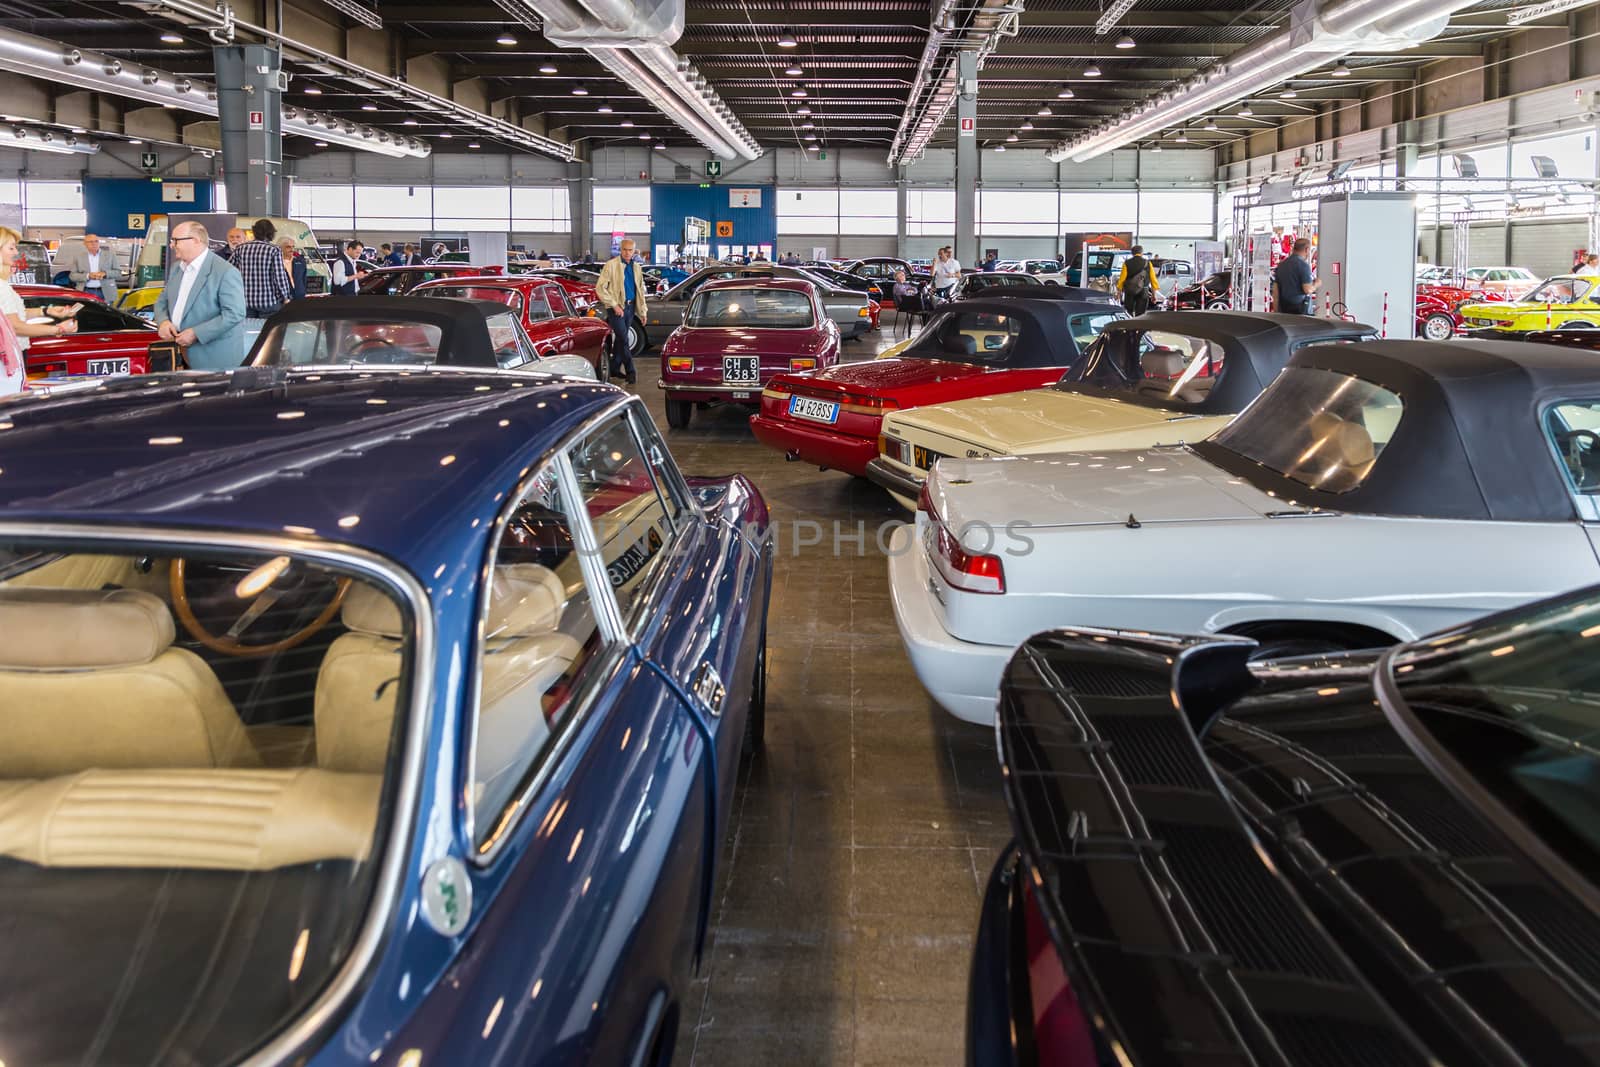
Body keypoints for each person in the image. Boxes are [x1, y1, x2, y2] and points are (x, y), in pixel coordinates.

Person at [153, 220, 246, 370]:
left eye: (175, 241)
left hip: (213, 358)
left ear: (196, 241)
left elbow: (235, 313)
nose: (171, 245)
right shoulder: (177, 268)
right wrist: (163, 322)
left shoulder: (225, 272)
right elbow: (162, 301)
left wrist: (196, 333)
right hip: (179, 356)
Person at [0, 225, 80, 395]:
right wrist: (58, 329)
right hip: (7, 358)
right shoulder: (1, 287)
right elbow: (15, 326)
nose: (15, 252)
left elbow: (13, 313)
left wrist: (46, 311)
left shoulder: (4, 285)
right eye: (11, 247)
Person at [596, 237, 647, 385]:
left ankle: (614, 367)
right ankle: (631, 371)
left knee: (620, 339)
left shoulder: (637, 267)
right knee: (624, 339)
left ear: (634, 251)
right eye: (624, 249)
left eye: (630, 250)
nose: (627, 253)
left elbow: (640, 291)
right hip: (616, 309)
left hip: (631, 308)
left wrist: (642, 312)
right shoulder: (611, 265)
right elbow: (600, 288)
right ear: (620, 249)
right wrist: (614, 305)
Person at [235, 219, 293, 341]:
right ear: (271, 233)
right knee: (269, 337)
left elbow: (229, 270)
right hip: (268, 303)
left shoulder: (240, 248)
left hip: (245, 302)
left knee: (246, 334)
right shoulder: (274, 250)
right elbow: (279, 276)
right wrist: (286, 297)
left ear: (255, 232)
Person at [62, 232, 122, 306]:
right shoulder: (78, 257)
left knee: (106, 316)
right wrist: (88, 276)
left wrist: (105, 273)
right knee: (88, 314)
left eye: (96, 241)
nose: (94, 244)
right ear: (85, 244)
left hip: (106, 292)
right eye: (90, 242)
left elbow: (118, 272)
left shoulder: (110, 255)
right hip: (85, 291)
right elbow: (72, 276)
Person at [1272, 237, 1318, 314]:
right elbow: (1307, 289)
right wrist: (1316, 284)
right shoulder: (1303, 266)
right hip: (1300, 311)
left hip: (1284, 309)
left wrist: (1276, 311)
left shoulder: (1281, 265)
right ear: (1306, 249)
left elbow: (1276, 292)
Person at [1116, 245, 1159, 316]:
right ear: (1142, 253)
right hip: (1143, 291)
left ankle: (1129, 326)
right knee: (1141, 313)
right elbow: (1153, 280)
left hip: (1129, 291)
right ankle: (1139, 326)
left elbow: (1121, 279)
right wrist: (1154, 295)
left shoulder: (1126, 263)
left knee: (1128, 312)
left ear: (1132, 253)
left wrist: (1119, 293)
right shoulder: (1148, 263)